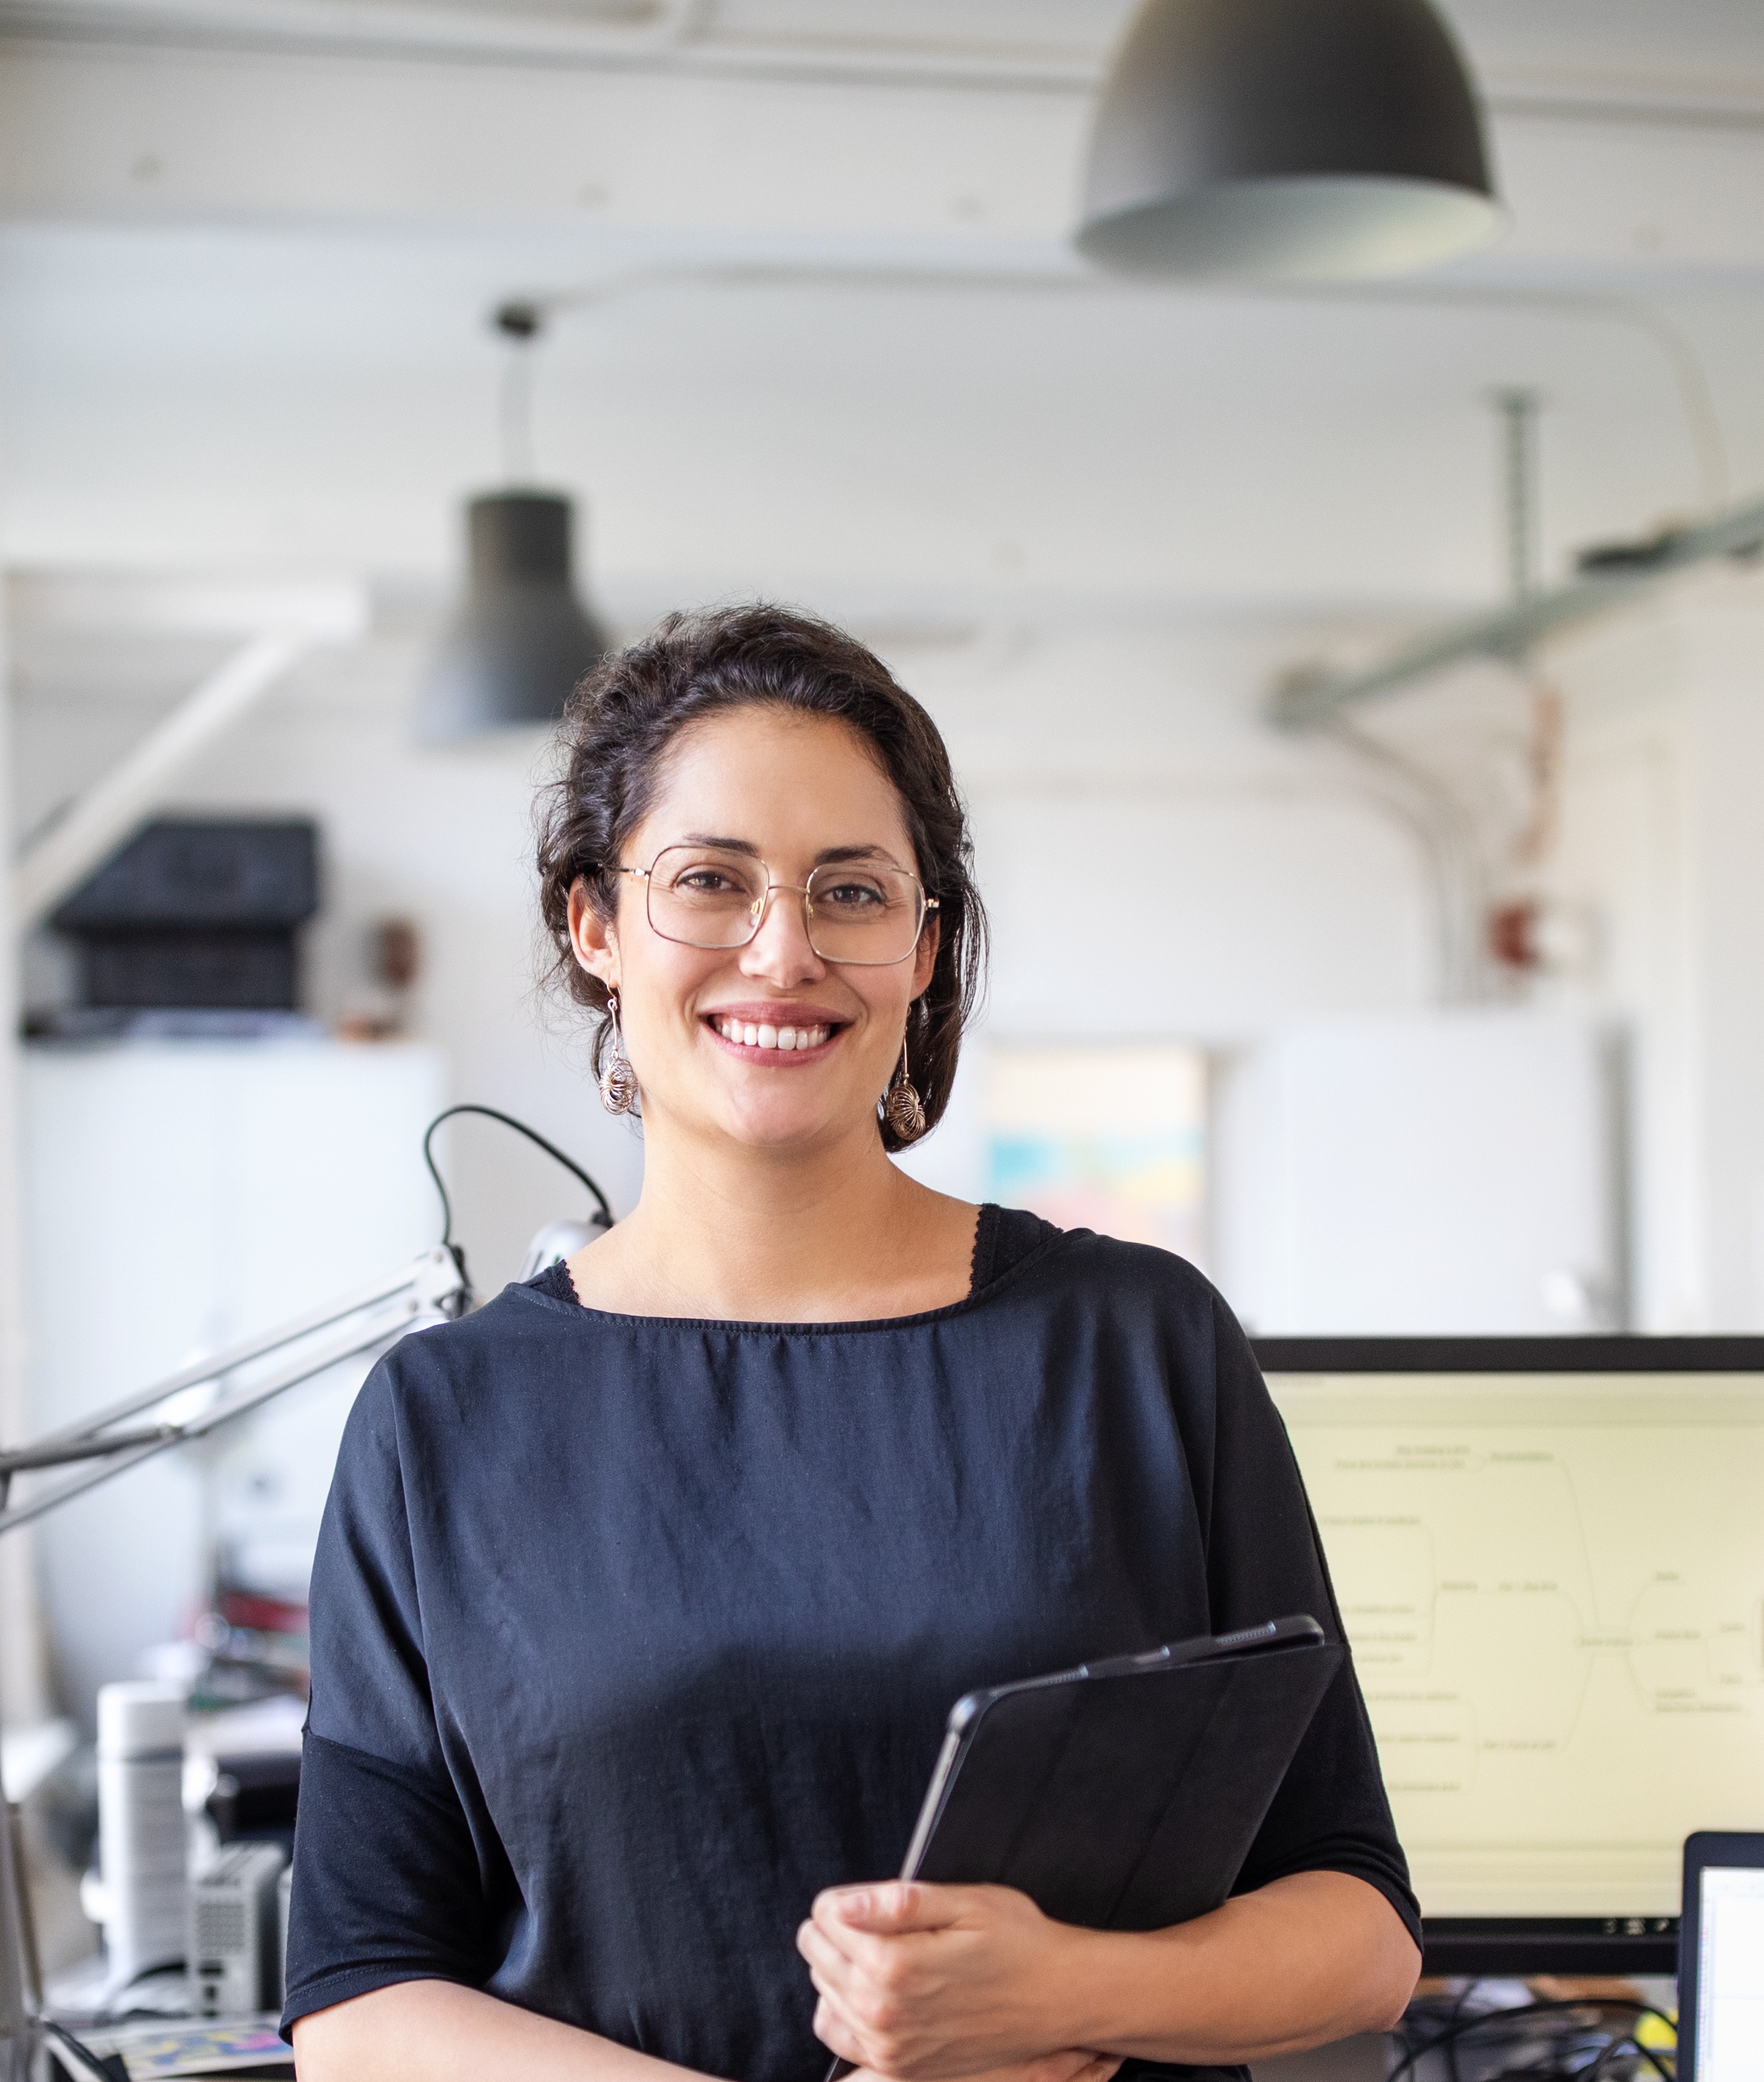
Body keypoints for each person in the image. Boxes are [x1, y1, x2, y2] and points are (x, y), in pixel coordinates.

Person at [278, 605, 1420, 2082]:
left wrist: (1064, 1987)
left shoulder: (1137, 1346)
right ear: (595, 924)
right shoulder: (444, 1417)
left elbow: (1359, 1925)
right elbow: (360, 1998)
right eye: (710, 880)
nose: (785, 950)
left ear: (924, 945)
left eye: (853, 891)